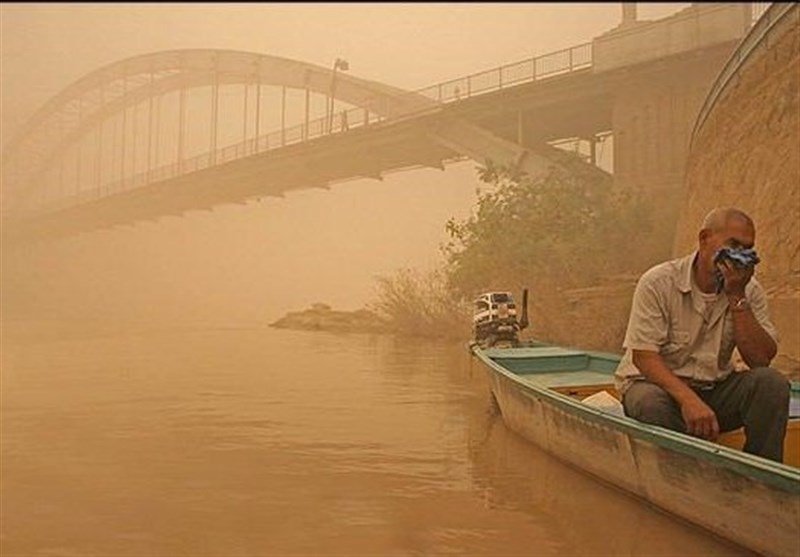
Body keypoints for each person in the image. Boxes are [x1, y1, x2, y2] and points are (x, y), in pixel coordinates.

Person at [615, 207, 789, 462]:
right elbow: (644, 356)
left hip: (714, 390)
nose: (738, 255)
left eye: (746, 248)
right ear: (705, 239)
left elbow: (760, 360)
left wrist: (737, 296)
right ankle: (680, 481)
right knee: (649, 403)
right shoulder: (658, 282)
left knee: (772, 384)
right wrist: (689, 401)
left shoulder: (748, 290)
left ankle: (762, 481)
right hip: (659, 389)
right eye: (732, 244)